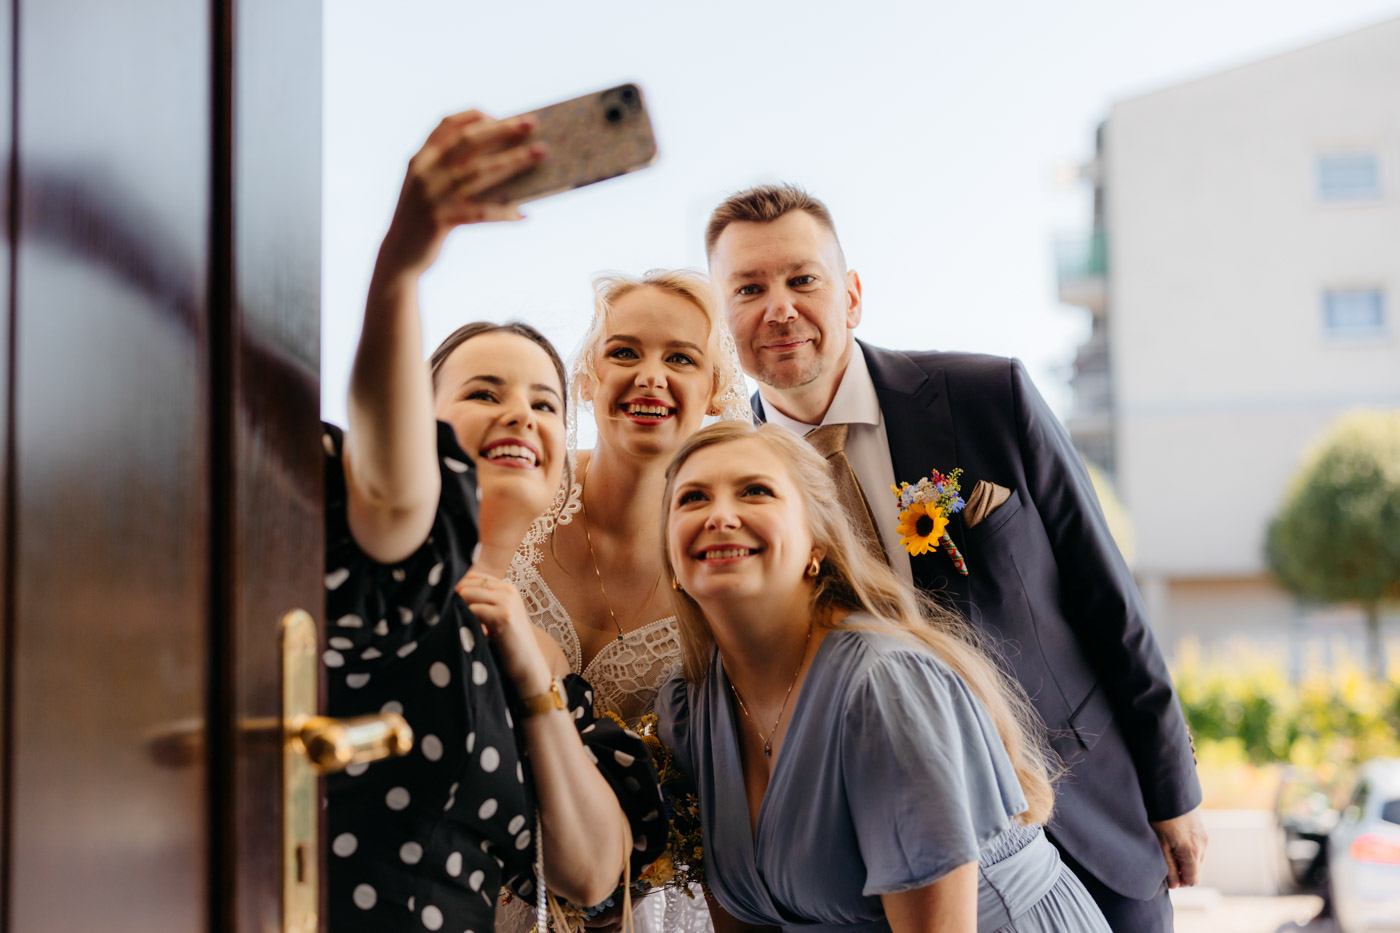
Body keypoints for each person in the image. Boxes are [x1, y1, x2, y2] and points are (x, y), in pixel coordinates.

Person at [702, 185, 1205, 932]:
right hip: (887, 868)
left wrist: (1173, 789)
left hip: (1079, 816)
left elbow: (1106, 595)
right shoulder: (729, 488)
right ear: (723, 321)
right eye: (748, 289)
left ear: (852, 296)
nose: (779, 308)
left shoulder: (988, 396)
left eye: (802, 279)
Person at [323, 109, 665, 932]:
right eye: (484, 393)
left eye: (544, 403)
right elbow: (395, 483)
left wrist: (529, 672)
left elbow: (595, 875)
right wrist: (401, 267)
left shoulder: (541, 659)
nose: (521, 415)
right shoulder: (385, 553)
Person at [656, 421, 1112, 933]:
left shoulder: (885, 686)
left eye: (755, 491)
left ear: (816, 542)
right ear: (671, 554)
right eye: (693, 498)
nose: (720, 516)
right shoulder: (689, 708)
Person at [496, 273, 749, 933]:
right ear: (586, 378)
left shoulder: (723, 561)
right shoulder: (515, 496)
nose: (651, 376)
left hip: (640, 902)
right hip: (476, 865)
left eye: (681, 358)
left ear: (716, 391)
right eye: (625, 352)